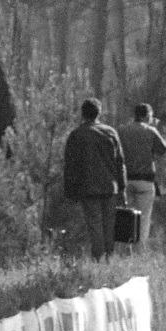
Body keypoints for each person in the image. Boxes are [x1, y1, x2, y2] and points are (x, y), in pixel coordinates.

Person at [63, 98, 126, 260]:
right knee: (109, 224)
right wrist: (122, 187)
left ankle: (98, 259)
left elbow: (70, 165)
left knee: (95, 224)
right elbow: (120, 162)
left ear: (82, 114)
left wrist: (70, 191)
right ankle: (110, 258)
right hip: (110, 186)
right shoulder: (111, 132)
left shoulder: (77, 135)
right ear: (99, 112)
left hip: (88, 187)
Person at [116, 103, 166, 247]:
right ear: (146, 116)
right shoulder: (150, 131)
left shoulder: (122, 130)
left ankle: (124, 249)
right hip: (145, 180)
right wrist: (154, 130)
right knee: (143, 219)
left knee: (125, 217)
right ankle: (140, 250)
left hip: (126, 179)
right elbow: (162, 149)